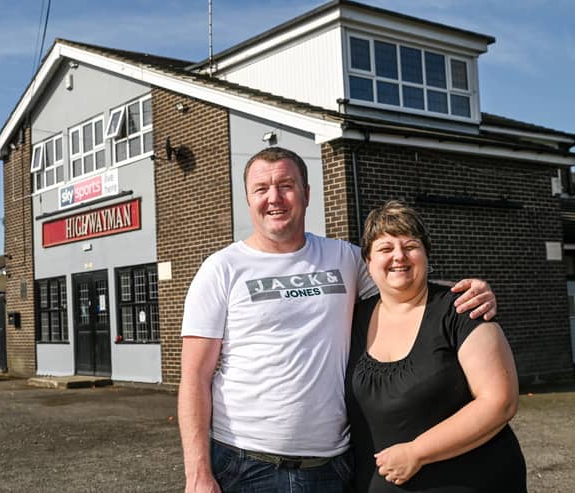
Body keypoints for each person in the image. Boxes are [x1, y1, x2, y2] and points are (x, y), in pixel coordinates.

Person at [178, 147, 497, 493]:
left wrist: (465, 291)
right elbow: (195, 376)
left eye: (286, 185)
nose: (274, 198)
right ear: (248, 198)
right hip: (246, 465)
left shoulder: (342, 258)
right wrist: (197, 473)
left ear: (307, 193)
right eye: (261, 189)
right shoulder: (221, 270)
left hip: (331, 466)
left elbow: (402, 281)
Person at [346, 200, 526, 493]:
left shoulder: (463, 309)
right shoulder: (353, 319)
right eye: (385, 248)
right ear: (368, 262)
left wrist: (417, 452)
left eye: (410, 246)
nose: (399, 257)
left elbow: (499, 402)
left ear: (426, 254)